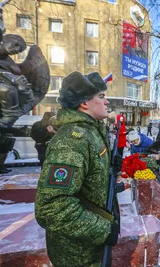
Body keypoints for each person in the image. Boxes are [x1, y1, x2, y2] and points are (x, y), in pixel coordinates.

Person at [35, 71, 119, 266]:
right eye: (101, 96)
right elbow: (52, 207)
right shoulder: (72, 140)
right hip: (77, 255)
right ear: (84, 103)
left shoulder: (91, 131)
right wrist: (102, 230)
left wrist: (109, 166)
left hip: (89, 248)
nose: (106, 102)